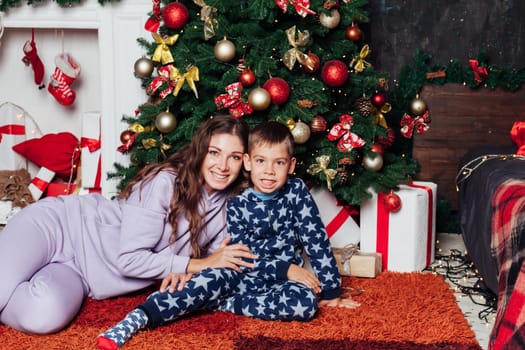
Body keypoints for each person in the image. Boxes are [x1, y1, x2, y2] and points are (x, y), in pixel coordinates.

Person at [96, 120, 359, 349]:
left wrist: (331, 291)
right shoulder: (237, 204)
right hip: (241, 271)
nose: (269, 171)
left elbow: (316, 239)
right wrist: (286, 269)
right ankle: (140, 317)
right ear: (248, 163)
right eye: (260, 161)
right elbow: (241, 256)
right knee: (205, 281)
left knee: (305, 305)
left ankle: (221, 304)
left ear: (290, 166)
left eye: (278, 163)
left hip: (278, 283)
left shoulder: (296, 192)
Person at [0, 115, 256, 334]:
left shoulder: (229, 204)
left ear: (244, 161)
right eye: (214, 153)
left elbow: (216, 262)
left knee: (42, 317)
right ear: (200, 152)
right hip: (59, 227)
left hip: (82, 274)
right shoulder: (165, 182)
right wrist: (195, 264)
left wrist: (189, 269)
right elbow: (130, 259)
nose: (222, 166)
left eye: (233, 157)